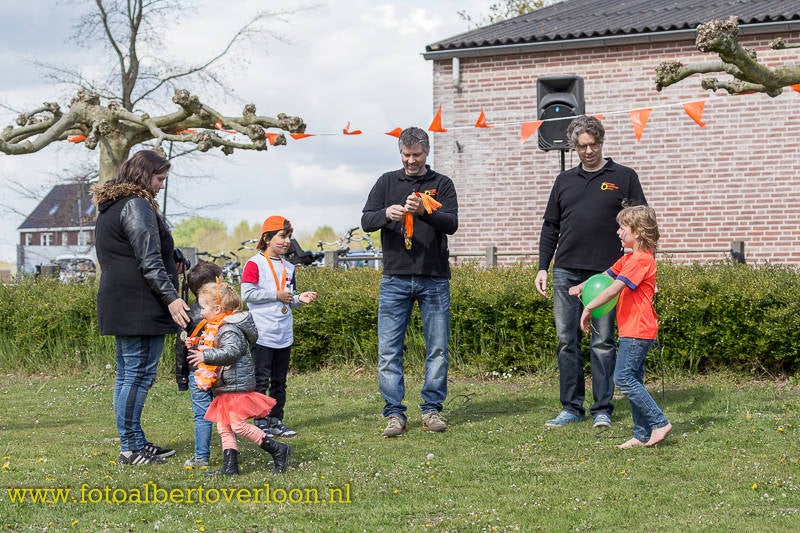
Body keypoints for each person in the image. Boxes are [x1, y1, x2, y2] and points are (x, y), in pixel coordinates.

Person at [534, 115, 647, 429]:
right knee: (566, 340)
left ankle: (602, 409)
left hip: (605, 276)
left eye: (593, 144)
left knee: (602, 342)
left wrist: (640, 269)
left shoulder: (624, 177)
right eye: (582, 146)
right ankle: (571, 407)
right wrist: (543, 267)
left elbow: (642, 224)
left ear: (601, 141)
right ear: (574, 147)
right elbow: (550, 227)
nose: (588, 151)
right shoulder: (564, 180)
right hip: (566, 272)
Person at [92, 149, 191, 465]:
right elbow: (147, 261)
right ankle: (130, 448)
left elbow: (137, 252)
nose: (161, 185)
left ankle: (134, 440)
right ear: (143, 175)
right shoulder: (137, 205)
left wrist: (171, 257)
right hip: (139, 302)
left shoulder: (113, 206)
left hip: (122, 299)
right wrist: (172, 298)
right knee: (138, 375)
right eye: (159, 178)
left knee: (128, 374)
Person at [361, 126, 459, 437]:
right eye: (406, 155)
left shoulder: (441, 184)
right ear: (400, 153)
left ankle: (431, 411)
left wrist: (426, 212)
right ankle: (394, 414)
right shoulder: (386, 182)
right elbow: (365, 220)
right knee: (389, 349)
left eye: (416, 155)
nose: (411, 161)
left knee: (438, 348)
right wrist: (385, 214)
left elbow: (452, 224)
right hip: (395, 277)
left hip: (434, 277)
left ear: (426, 153)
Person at [572, 205, 672, 448]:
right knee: (634, 377)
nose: (618, 232)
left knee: (624, 378)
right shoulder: (629, 258)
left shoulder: (640, 260)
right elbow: (606, 277)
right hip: (631, 329)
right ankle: (641, 434)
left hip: (639, 329)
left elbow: (615, 288)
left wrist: (587, 308)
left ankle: (659, 422)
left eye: (622, 228)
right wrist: (582, 286)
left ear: (637, 232)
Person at [186, 281, 291, 475]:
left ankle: (278, 449)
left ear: (217, 308)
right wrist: (195, 346)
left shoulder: (229, 329)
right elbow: (213, 347)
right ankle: (230, 466)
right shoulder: (218, 327)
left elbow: (232, 352)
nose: (201, 313)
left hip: (236, 385)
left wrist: (205, 356)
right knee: (224, 427)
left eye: (203, 308)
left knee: (238, 426)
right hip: (226, 385)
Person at [241, 215, 318, 438]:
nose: (286, 241)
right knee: (261, 380)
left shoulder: (289, 267)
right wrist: (277, 295)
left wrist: (298, 299)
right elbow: (247, 294)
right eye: (281, 236)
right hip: (262, 333)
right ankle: (260, 421)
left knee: (279, 381)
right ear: (266, 238)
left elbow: (287, 299)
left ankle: (276, 419)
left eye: (289, 237)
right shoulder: (254, 263)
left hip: (283, 332)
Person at [175, 261, 223, 469]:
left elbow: (181, 349)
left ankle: (201, 457)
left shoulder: (187, 313)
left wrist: (182, 377)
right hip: (223, 370)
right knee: (224, 413)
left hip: (198, 372)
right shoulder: (227, 312)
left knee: (201, 415)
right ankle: (230, 454)